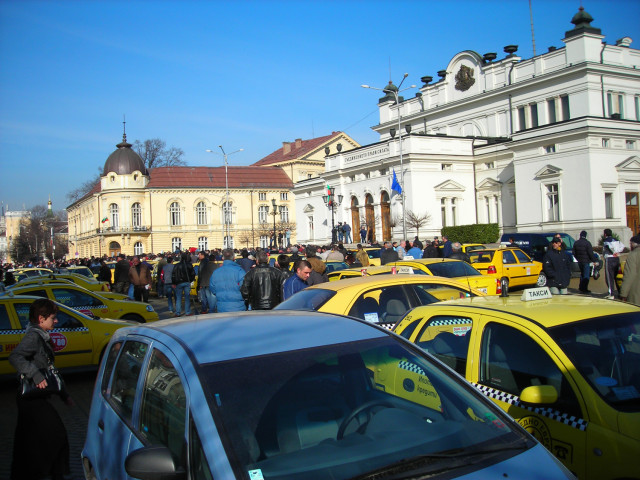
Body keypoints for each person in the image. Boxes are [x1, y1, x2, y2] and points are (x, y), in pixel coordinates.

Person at [9, 298, 73, 480]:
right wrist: (35, 375)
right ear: (41, 319)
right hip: (31, 400)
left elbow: (51, 370)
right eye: (53, 318)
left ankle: (47, 472)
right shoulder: (34, 336)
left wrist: (64, 394)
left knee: (30, 441)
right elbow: (16, 357)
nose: (56, 321)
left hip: (36, 399)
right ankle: (51, 472)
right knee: (55, 434)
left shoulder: (41, 335)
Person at [603, 228, 625, 299]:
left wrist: (613, 252)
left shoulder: (606, 240)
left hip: (609, 258)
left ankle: (611, 293)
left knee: (609, 277)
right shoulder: (616, 240)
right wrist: (618, 251)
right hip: (616, 259)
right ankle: (620, 292)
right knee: (617, 276)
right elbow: (623, 246)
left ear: (605, 234)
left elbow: (608, 247)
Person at [172, 252, 196, 317]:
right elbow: (193, 274)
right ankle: (187, 312)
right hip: (186, 282)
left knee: (178, 298)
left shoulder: (176, 265)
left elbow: (173, 275)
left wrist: (173, 283)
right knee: (187, 297)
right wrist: (190, 280)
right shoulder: (189, 265)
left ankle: (178, 312)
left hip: (179, 283)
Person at [620, 235, 640, 305]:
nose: (630, 245)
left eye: (630, 243)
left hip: (636, 293)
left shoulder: (633, 255)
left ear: (634, 244)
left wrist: (623, 294)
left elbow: (629, 276)